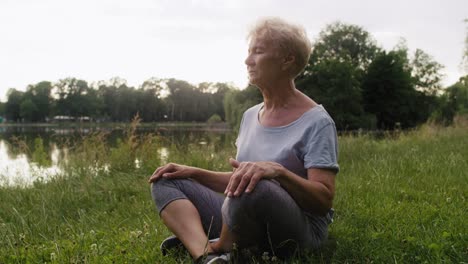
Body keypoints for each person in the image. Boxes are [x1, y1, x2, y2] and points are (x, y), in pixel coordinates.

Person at [149, 17, 339, 264]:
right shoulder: (251, 115)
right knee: (167, 178)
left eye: (258, 52)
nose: (247, 60)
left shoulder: (317, 122)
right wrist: (193, 172)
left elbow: (323, 201)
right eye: (249, 52)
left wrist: (278, 172)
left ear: (287, 60)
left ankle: (224, 245)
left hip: (299, 231)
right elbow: (241, 182)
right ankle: (206, 255)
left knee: (257, 180)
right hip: (248, 211)